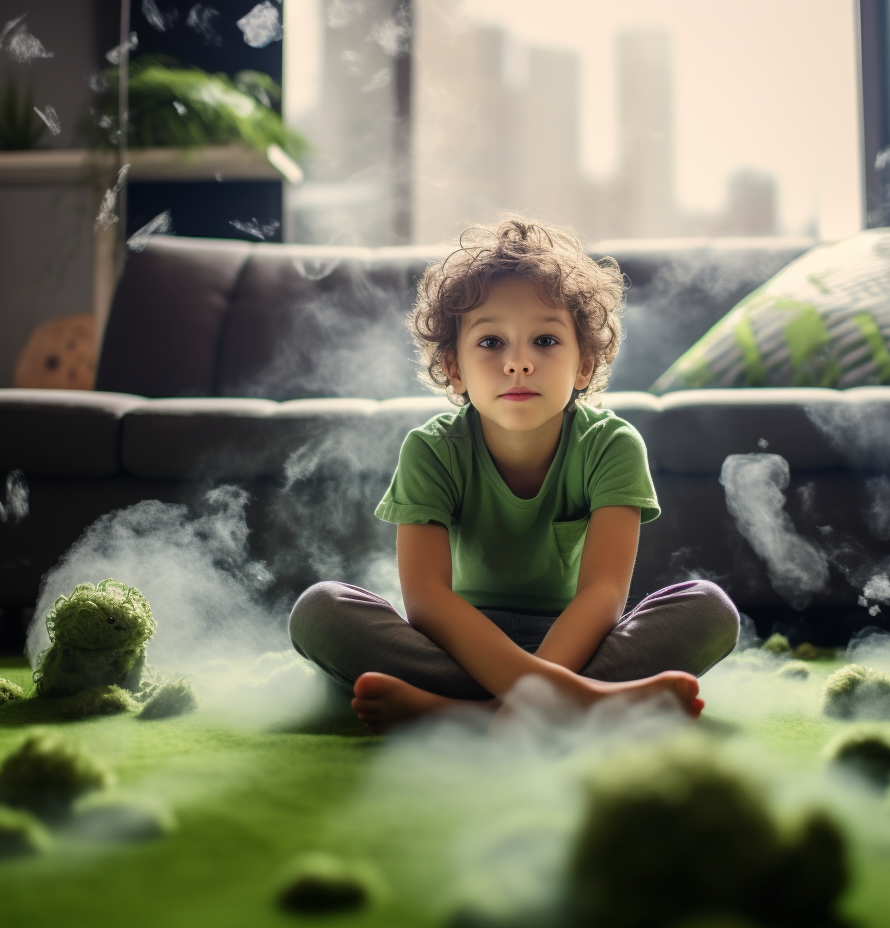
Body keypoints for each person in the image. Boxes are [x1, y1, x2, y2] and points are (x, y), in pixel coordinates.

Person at [290, 217, 739, 733]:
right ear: (453, 368)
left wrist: (539, 680)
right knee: (321, 609)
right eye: (490, 343)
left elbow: (603, 596)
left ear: (585, 364)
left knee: (709, 609)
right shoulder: (430, 451)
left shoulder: (613, 446)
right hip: (456, 650)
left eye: (546, 341)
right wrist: (545, 688)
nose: (519, 363)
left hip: (578, 646)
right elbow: (428, 603)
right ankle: (585, 706)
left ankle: (465, 717)